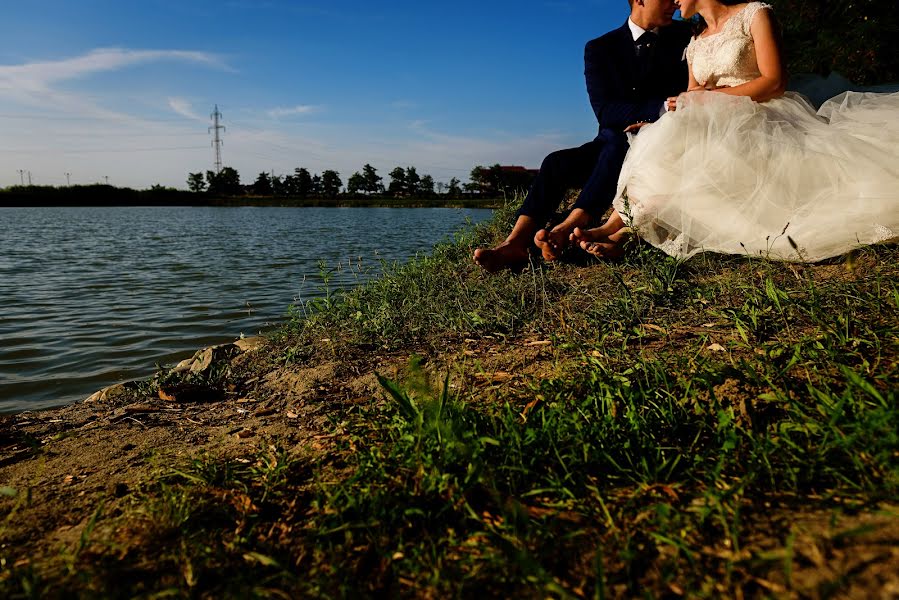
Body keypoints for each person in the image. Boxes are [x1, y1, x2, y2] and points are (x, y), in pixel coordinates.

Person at [572, 0, 899, 262]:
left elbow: (774, 81)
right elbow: (691, 95)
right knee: (663, 136)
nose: (672, 1)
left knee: (693, 150)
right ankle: (615, 228)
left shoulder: (755, 14)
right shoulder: (695, 40)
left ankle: (619, 233)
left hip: (763, 112)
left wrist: (708, 100)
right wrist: (664, 120)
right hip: (713, 117)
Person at [473, 0, 693, 272]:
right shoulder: (600, 48)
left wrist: (660, 118)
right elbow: (605, 110)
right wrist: (658, 107)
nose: (675, 3)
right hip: (611, 139)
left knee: (614, 144)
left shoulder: (685, 36)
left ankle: (569, 227)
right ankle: (515, 242)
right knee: (556, 161)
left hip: (663, 142)